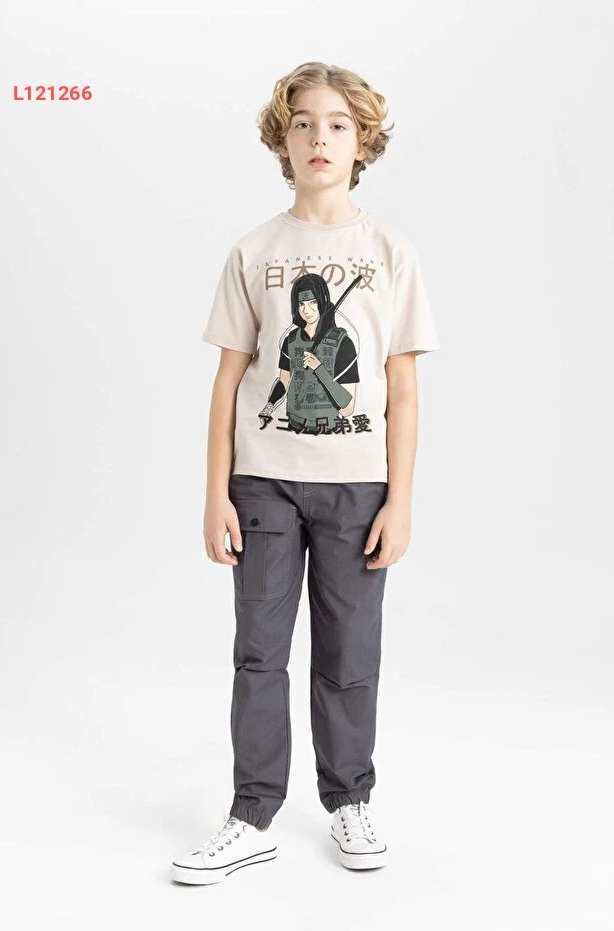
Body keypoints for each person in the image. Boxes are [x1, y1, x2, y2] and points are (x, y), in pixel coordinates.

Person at [171, 61, 441, 885]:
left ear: (362, 143)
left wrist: (400, 500)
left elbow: (400, 388)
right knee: (258, 652)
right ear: (280, 141)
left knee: (348, 653)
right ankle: (251, 813)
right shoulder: (254, 251)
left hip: (358, 485)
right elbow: (229, 381)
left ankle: (348, 798)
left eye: (336, 124)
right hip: (262, 485)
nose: (318, 138)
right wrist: (214, 493)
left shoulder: (389, 251)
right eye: (302, 123)